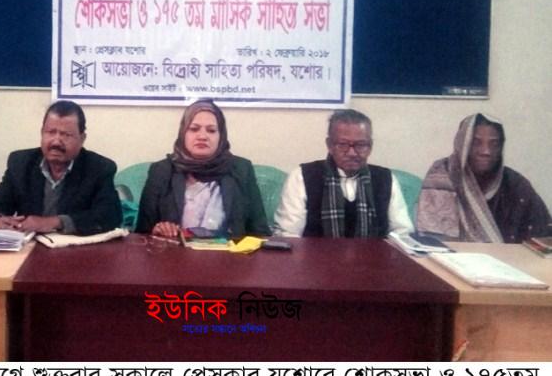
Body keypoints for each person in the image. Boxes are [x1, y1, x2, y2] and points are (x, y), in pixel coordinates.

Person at [136, 99, 269, 238]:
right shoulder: (161, 171)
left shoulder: (241, 169)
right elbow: (142, 232)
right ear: (183, 133)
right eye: (194, 129)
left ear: (221, 136)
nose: (202, 136)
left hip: (229, 251)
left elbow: (260, 231)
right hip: (175, 250)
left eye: (211, 130)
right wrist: (157, 231)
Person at [0, 100, 121, 235]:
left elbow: (110, 216)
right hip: (29, 244)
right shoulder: (21, 163)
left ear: (82, 139)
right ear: (42, 133)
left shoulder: (99, 168)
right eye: (50, 132)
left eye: (66, 135)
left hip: (76, 246)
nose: (56, 141)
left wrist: (55, 222)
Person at [273, 109, 413, 238]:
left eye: (361, 145)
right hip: (315, 257)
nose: (352, 153)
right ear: (329, 145)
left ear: (370, 146)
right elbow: (288, 235)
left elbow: (401, 234)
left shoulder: (385, 179)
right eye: (343, 144)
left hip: (374, 257)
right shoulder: (303, 176)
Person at [416, 113, 551, 243]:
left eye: (494, 144)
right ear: (462, 144)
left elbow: (544, 237)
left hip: (509, 258)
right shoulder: (442, 174)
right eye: (476, 143)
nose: (486, 151)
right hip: (449, 256)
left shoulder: (515, 184)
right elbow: (432, 239)